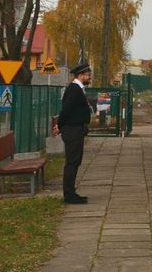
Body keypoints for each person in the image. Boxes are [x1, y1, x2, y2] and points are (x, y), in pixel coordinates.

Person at [53, 63, 94, 204]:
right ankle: (69, 195)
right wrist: (59, 125)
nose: (90, 77)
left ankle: (71, 192)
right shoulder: (74, 89)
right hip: (72, 130)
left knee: (75, 162)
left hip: (75, 129)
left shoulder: (77, 89)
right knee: (72, 162)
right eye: (88, 75)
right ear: (81, 75)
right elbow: (66, 110)